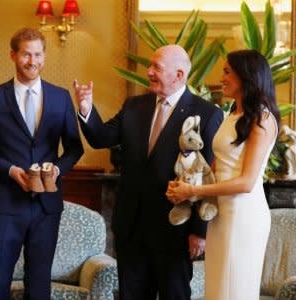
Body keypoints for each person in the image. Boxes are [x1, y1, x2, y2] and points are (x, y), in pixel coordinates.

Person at [74, 44, 223, 300]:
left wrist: (199, 231)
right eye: (150, 66)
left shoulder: (207, 114)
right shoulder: (134, 105)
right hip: (131, 226)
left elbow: (206, 173)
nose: (149, 72)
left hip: (175, 230)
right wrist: (86, 108)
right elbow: (101, 137)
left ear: (178, 75)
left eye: (157, 67)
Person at [0, 28, 83, 300]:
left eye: (38, 54)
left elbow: (75, 148)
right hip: (6, 205)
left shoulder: (61, 97)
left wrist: (57, 169)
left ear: (44, 56)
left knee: (39, 286)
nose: (33, 61)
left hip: (47, 207)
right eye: (26, 54)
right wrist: (10, 170)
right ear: (13, 55)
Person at [166, 49, 280, 300]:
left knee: (235, 291)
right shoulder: (232, 114)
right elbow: (216, 168)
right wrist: (185, 187)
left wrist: (194, 191)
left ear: (246, 75)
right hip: (220, 214)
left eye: (228, 71)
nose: (222, 77)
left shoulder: (262, 118)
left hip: (243, 214)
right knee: (218, 291)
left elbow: (247, 182)